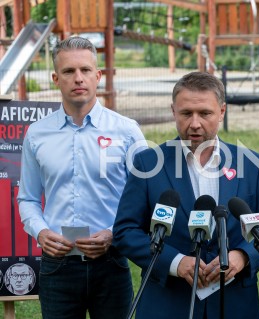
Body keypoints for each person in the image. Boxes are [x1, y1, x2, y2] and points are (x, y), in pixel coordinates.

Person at [112, 71, 259, 319]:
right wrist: (175, 262)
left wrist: (243, 256)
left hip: (234, 303)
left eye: (205, 113)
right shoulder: (147, 163)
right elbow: (125, 231)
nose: (194, 123)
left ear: (222, 111)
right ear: (174, 111)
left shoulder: (252, 164)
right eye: (186, 114)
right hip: (168, 303)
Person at [17, 36, 147, 319]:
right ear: (55, 78)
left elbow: (144, 198)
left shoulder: (127, 132)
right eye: (68, 71)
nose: (78, 78)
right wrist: (41, 232)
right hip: (57, 265)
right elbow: (27, 198)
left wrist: (114, 234)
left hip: (111, 261)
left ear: (98, 75)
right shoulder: (37, 134)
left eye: (85, 70)